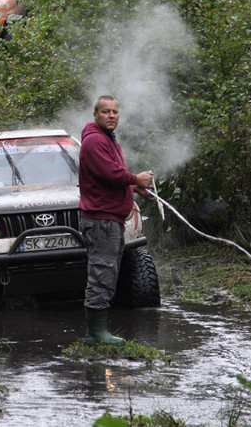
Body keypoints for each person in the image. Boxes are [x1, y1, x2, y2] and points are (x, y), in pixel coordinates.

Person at [79, 95, 153, 346]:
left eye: (115, 112)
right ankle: (95, 334)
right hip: (101, 221)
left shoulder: (107, 139)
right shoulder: (94, 142)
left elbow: (106, 181)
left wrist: (134, 189)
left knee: (107, 273)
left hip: (108, 219)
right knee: (102, 273)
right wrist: (135, 178)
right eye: (106, 112)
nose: (111, 116)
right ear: (95, 115)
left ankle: (98, 332)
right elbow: (111, 173)